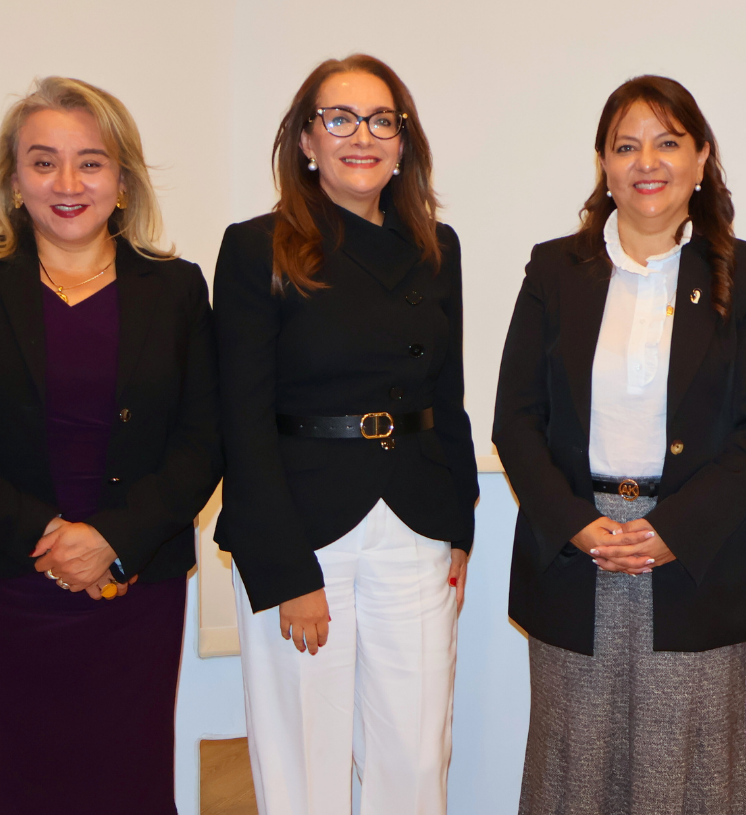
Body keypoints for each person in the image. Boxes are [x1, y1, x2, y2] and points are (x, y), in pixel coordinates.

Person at [493, 75, 746, 815]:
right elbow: (516, 420)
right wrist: (576, 523)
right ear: (603, 163)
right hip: (577, 547)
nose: (646, 162)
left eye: (667, 142)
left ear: (701, 158)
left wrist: (672, 531)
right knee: (573, 766)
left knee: (680, 769)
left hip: (696, 551)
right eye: (626, 146)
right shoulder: (554, 270)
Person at [214, 54, 479, 815]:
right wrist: (284, 568)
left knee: (416, 754)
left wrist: (459, 526)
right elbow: (241, 419)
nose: (362, 136)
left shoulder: (438, 247)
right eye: (340, 119)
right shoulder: (257, 246)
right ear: (306, 139)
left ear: (403, 141)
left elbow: (448, 395)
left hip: (417, 521)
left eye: (381, 120)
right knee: (304, 758)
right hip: (301, 530)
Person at [0, 77, 222, 815]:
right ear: (14, 180)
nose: (68, 183)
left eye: (91, 162)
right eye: (43, 162)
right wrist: (47, 535)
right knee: (4, 781)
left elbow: (204, 440)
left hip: (131, 586)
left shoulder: (175, 289)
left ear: (123, 180)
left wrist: (113, 539)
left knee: (123, 782)